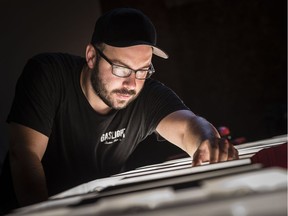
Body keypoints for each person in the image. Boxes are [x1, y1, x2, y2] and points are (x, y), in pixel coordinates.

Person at [0, 7, 238, 213]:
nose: (132, 84)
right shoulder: (48, 75)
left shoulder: (147, 96)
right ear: (92, 56)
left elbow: (189, 126)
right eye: (121, 69)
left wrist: (207, 141)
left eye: (143, 70)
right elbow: (24, 155)